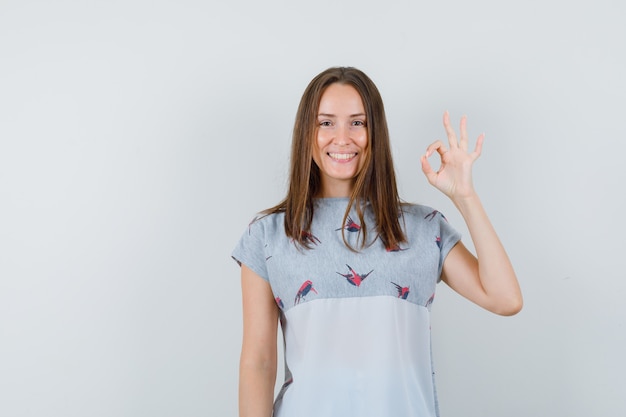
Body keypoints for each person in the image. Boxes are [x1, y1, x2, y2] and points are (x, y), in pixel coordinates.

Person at [231, 67, 522, 417]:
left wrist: (465, 197)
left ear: (376, 132)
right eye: (326, 123)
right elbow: (259, 363)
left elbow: (505, 299)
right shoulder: (268, 235)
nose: (342, 138)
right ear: (306, 132)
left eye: (358, 122)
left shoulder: (421, 227)